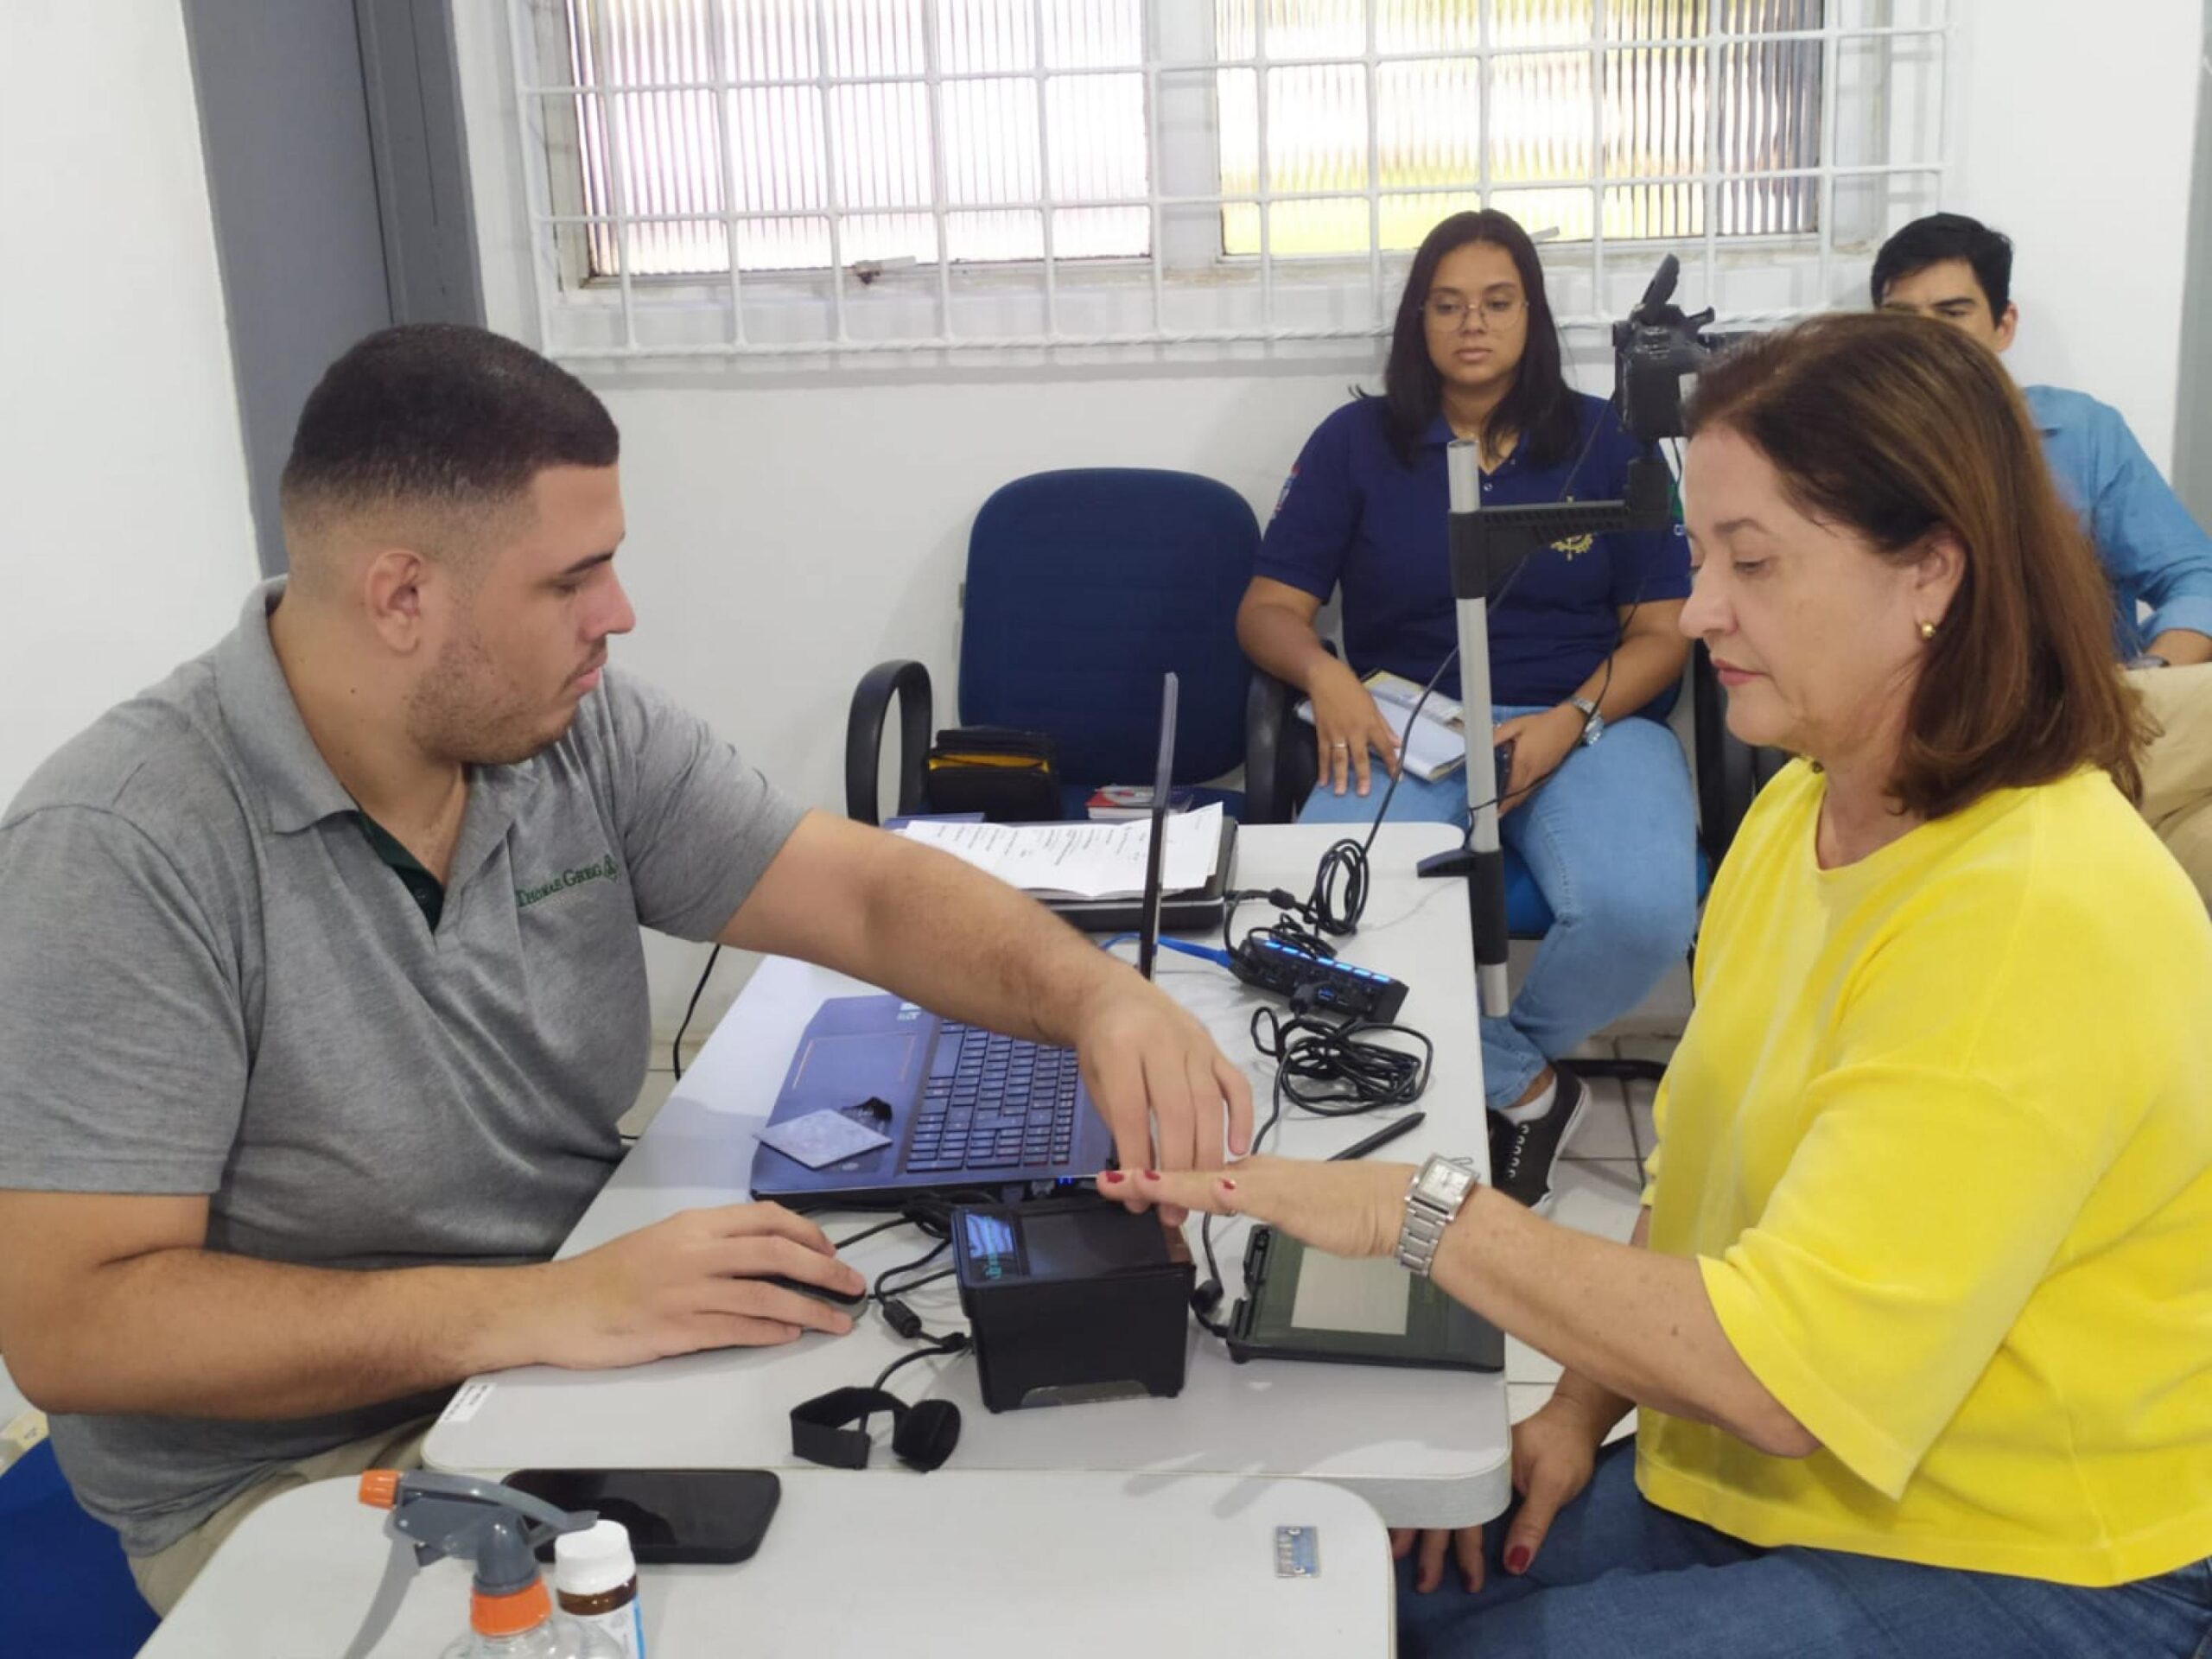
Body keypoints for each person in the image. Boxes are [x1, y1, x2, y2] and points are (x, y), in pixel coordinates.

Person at [0, 325, 1252, 1613]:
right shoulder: (124, 848)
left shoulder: (572, 733)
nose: (619, 615)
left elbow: (870, 893)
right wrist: (537, 1311)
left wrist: (1099, 996)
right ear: (400, 598)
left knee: (1002, 1516)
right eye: (571, 580)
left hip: (568, 1335)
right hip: (304, 1475)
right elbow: (73, 1325)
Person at [1119, 312, 2212, 1656]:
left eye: (1751, 563)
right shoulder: (1804, 810)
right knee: (1353, 1590)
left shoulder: (2031, 910)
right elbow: (1695, 1183)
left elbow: (1778, 1370)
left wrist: (1420, 1212)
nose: (1698, 613)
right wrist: (1576, 1410)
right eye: (1700, 557)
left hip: (2032, 1551)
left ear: (1931, 570)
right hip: (1793, 1466)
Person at [1236, 209, 1699, 1211]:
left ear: (1532, 314)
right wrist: (1326, 677)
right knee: (1317, 930)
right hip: (1408, 722)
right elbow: (1269, 610)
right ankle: (1528, 1092)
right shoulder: (1357, 442)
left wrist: (1567, 721)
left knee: (1644, 905)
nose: (1472, 325)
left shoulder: (1608, 438)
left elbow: (1663, 631)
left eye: (1496, 302)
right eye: (1446, 305)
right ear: (1417, 322)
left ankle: (1491, 1071)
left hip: (1586, 718)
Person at [1874, 210, 2212, 904]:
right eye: (1902, 317)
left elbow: (2192, 576)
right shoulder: (1850, 463)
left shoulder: (2080, 434)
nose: (1926, 338)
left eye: (1953, 312)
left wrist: (2148, 678)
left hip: (2108, 717)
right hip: (1952, 734)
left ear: (2004, 325)